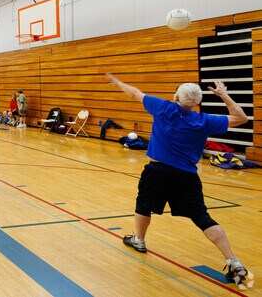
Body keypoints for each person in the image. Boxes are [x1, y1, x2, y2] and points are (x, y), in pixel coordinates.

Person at [105, 73, 250, 285]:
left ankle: (140, 240)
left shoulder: (163, 108)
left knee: (143, 205)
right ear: (197, 102)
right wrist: (224, 95)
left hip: (158, 172)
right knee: (201, 216)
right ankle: (233, 260)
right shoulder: (205, 121)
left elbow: (135, 93)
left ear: (175, 97)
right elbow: (241, 118)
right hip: (187, 177)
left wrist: (118, 83)